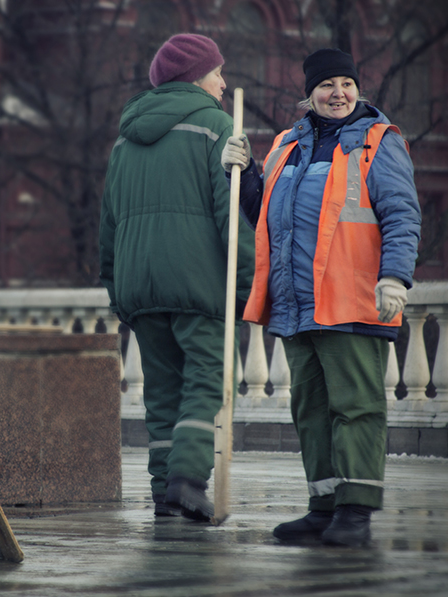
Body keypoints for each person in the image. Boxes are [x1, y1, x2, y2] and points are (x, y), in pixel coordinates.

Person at [220, 48, 421, 546]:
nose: (338, 94)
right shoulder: (287, 143)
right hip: (296, 304)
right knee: (310, 410)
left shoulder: (378, 141)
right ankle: (324, 504)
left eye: (346, 84)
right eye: (327, 85)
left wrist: (395, 277)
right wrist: (241, 176)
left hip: (353, 300)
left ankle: (355, 510)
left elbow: (401, 213)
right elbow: (265, 218)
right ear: (308, 93)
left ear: (358, 89)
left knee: (356, 408)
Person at [99, 33, 255, 522]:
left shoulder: (126, 137)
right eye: (216, 72)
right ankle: (188, 481)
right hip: (198, 282)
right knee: (209, 379)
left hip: (139, 285)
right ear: (194, 76)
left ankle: (165, 489)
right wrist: (246, 286)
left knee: (163, 389)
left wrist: (116, 286)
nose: (223, 82)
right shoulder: (217, 127)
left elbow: (109, 223)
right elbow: (231, 217)